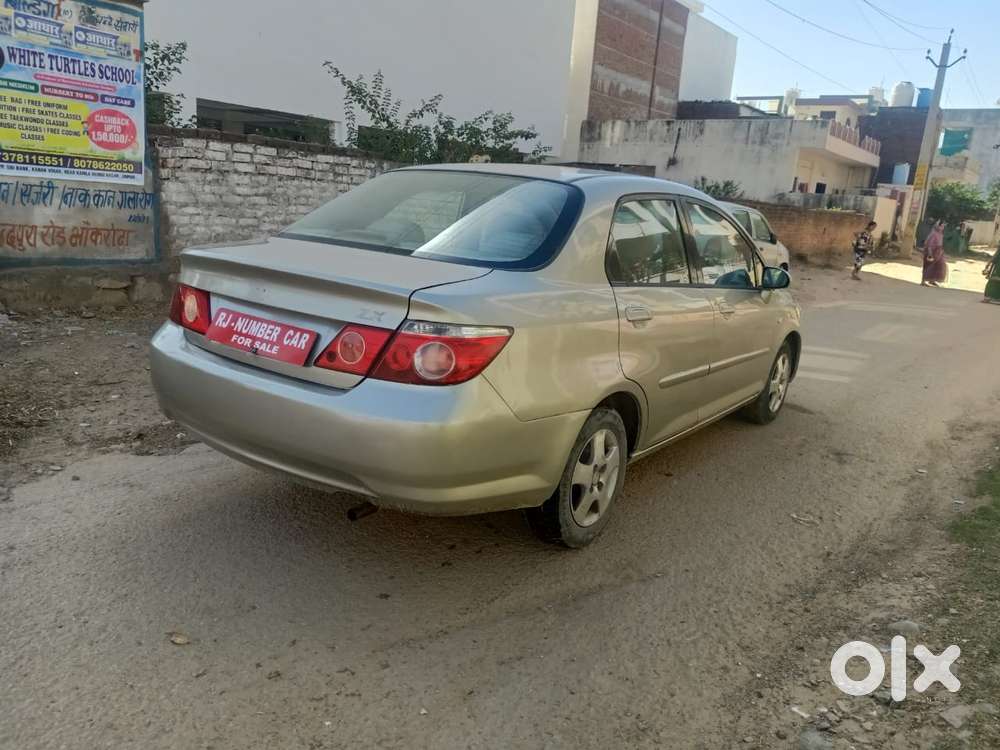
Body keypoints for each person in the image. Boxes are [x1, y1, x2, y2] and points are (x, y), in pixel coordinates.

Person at [921, 220, 948, 287]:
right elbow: (929, 245)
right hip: (932, 251)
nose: (942, 228)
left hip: (938, 252)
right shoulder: (933, 234)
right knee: (928, 266)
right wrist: (930, 254)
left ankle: (932, 280)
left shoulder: (940, 234)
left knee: (938, 266)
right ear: (937, 226)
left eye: (943, 226)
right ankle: (923, 281)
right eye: (941, 226)